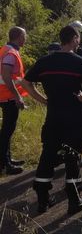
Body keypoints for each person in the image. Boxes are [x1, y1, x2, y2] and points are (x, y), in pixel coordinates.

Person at [21, 25, 82, 214]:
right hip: (74, 117)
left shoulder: (45, 61)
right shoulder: (81, 62)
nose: (80, 41)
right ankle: (74, 200)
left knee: (47, 154)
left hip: (53, 116)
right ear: (74, 39)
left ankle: (42, 200)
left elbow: (26, 82)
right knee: (73, 157)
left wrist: (43, 100)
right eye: (79, 38)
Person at [0, 27, 28, 175]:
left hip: (4, 95)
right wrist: (17, 96)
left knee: (7, 130)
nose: (26, 39)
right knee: (7, 130)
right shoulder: (11, 52)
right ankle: (5, 165)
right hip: (8, 96)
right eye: (24, 36)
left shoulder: (5, 49)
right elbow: (5, 75)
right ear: (18, 37)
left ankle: (7, 159)